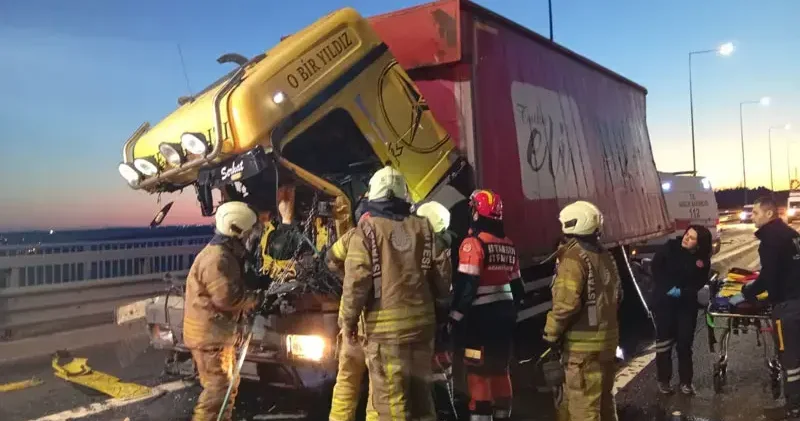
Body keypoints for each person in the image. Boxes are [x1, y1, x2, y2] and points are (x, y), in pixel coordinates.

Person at [339, 165, 452, 421]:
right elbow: (443, 278)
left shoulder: (366, 232)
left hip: (386, 336)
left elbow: (356, 283)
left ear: (373, 195)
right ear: (404, 195)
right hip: (423, 330)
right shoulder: (423, 227)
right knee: (422, 399)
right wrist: (441, 309)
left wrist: (348, 323)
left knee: (392, 405)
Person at [447, 189, 525, 421]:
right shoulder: (508, 244)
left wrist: (454, 318)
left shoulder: (473, 244)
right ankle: (503, 415)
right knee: (500, 368)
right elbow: (518, 287)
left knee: (477, 371)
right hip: (504, 321)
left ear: (477, 213)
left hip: (480, 323)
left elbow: (467, 287)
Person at [543, 200, 621, 421]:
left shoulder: (573, 258)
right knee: (605, 403)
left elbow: (565, 305)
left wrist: (550, 334)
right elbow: (617, 296)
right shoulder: (605, 256)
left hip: (583, 352)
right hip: (607, 344)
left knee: (583, 409)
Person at [183, 201, 261, 421]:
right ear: (237, 230)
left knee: (227, 387)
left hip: (216, 335)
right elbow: (227, 298)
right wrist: (256, 298)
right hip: (209, 338)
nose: (250, 237)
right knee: (216, 393)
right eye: (248, 232)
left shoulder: (223, 254)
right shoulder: (217, 258)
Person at [730, 196, 800, 419]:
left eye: (756, 213)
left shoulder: (770, 240)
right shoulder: (792, 235)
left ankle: (793, 407)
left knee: (789, 358)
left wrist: (747, 293)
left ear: (769, 214)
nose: (752, 216)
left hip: (788, 307)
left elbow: (769, 277)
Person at [651, 225, 712, 395]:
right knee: (664, 344)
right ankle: (664, 380)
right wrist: (667, 289)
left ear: (699, 244)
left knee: (684, 344)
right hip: (665, 304)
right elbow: (656, 270)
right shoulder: (670, 248)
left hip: (686, 306)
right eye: (687, 234)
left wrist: (683, 293)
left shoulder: (702, 261)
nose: (687, 238)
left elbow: (698, 283)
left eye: (692, 238)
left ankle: (686, 381)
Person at [327, 200, 374, 421]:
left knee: (345, 382)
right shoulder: (387, 236)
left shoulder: (352, 235)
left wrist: (344, 277)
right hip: (376, 327)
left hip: (351, 326)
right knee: (378, 387)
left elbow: (330, 259)